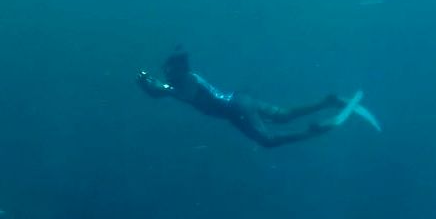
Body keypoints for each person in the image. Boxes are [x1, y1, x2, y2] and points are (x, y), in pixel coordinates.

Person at [135, 48, 376, 148]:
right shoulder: (181, 81)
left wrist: (157, 86)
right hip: (239, 101)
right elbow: (161, 91)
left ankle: (312, 131)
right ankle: (328, 101)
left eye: (169, 69)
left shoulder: (187, 81)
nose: (166, 73)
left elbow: (169, 91)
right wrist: (147, 84)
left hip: (235, 109)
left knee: (267, 140)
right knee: (283, 115)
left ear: (178, 69)